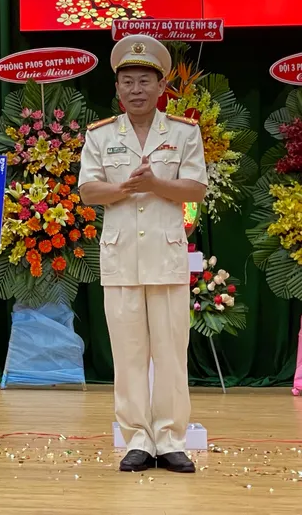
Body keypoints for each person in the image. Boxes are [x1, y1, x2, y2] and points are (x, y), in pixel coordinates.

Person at [78, 34, 207, 474]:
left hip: (166, 257)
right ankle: (136, 439)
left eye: (144, 81)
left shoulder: (185, 133)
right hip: (121, 259)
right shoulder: (100, 136)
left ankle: (170, 440)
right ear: (117, 89)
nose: (136, 89)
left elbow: (196, 188)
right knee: (128, 353)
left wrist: (156, 185)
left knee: (171, 352)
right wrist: (122, 189)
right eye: (128, 81)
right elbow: (88, 191)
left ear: (160, 85)